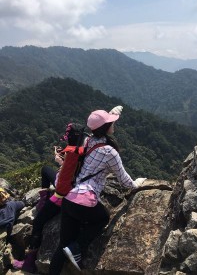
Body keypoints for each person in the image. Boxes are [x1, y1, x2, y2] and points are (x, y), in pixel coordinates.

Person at [49, 108, 146, 274]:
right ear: (106, 126)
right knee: (102, 218)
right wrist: (138, 185)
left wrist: (113, 112)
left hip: (69, 198)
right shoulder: (109, 152)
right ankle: (77, 247)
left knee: (62, 246)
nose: (114, 124)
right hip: (83, 200)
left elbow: (99, 122)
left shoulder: (87, 141)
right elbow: (124, 180)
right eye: (111, 122)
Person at [13, 122, 89, 273]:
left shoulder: (71, 154)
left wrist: (60, 161)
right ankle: (44, 199)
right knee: (46, 170)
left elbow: (63, 182)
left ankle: (29, 263)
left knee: (39, 223)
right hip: (80, 189)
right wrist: (63, 157)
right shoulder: (85, 148)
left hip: (64, 196)